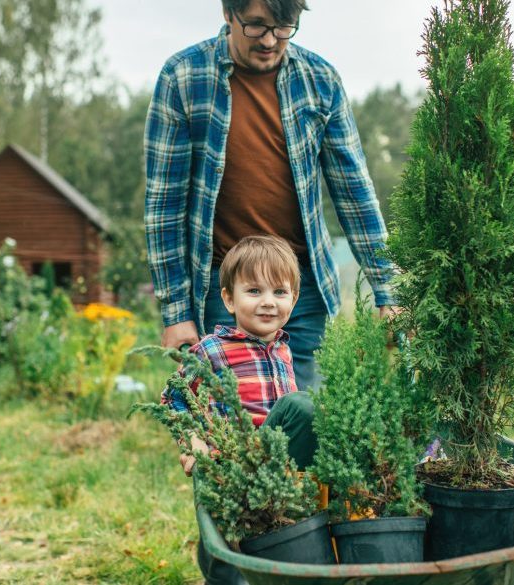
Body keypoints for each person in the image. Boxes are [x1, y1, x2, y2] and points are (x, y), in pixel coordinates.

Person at [144, 0, 397, 393]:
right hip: (223, 287)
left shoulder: (320, 79)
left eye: (283, 27)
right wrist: (176, 312)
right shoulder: (184, 77)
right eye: (256, 26)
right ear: (229, 14)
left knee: (304, 416)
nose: (270, 40)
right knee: (229, 419)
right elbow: (164, 205)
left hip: (298, 287)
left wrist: (387, 288)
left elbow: (354, 192)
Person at [161, 235, 316, 585]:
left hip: (275, 468)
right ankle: (218, 569)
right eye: (254, 291)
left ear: (294, 298)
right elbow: (174, 397)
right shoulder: (212, 349)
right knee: (226, 544)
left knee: (259, 534)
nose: (268, 303)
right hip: (229, 461)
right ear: (229, 299)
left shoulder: (284, 351)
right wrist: (192, 442)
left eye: (279, 292)